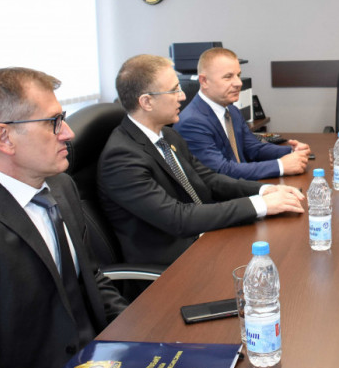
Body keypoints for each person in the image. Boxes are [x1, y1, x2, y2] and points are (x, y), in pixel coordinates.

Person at [0, 68, 128, 368]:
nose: (68, 133)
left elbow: (90, 277)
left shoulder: (61, 185)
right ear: (4, 137)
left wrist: (139, 334)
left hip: (100, 357)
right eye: (52, 122)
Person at [98, 54, 305, 266]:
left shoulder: (168, 135)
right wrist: (259, 205)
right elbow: (177, 218)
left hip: (203, 237)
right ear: (146, 102)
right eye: (174, 90)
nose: (182, 96)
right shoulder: (121, 158)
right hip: (172, 265)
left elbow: (209, 179)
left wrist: (264, 191)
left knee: (284, 246)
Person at [174, 47, 310, 180]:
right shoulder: (192, 122)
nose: (238, 83)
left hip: (244, 185)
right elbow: (221, 171)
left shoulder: (231, 110)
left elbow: (252, 148)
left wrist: (292, 151)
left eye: (238, 75)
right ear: (204, 81)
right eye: (228, 77)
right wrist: (280, 166)